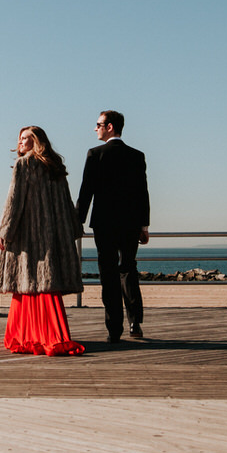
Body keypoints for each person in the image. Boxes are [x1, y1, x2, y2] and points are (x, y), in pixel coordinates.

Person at [0, 126, 86, 356]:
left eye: (25, 139)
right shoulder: (55, 168)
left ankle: (25, 334)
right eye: (20, 138)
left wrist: (4, 231)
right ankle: (48, 333)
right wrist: (71, 231)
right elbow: (66, 202)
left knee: (26, 284)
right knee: (45, 284)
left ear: (37, 142)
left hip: (28, 237)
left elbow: (14, 201)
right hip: (53, 235)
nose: (20, 143)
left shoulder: (24, 165)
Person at [75, 110, 149, 343]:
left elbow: (86, 191)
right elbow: (142, 192)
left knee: (107, 272)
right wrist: (144, 225)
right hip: (130, 222)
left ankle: (114, 328)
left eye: (98, 124)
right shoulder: (137, 155)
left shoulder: (95, 154)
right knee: (128, 268)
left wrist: (77, 221)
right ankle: (135, 322)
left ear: (110, 127)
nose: (95, 128)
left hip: (104, 223)